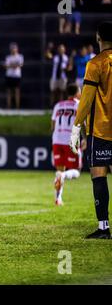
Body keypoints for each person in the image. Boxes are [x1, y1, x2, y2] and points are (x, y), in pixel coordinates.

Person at [70, 21, 112, 239]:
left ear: (98, 38)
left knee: (99, 175)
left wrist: (76, 127)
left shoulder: (95, 64)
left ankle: (104, 228)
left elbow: (86, 99)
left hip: (102, 129)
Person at [52, 84, 83, 206]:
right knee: (77, 171)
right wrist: (84, 138)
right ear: (77, 93)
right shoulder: (78, 105)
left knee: (60, 169)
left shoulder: (58, 105)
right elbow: (82, 123)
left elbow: (52, 126)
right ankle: (63, 175)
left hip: (57, 139)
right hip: (71, 140)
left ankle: (58, 199)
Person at [4, 42, 24, 109]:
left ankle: (17, 107)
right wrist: (14, 65)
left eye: (14, 48)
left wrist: (11, 65)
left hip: (17, 76)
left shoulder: (20, 56)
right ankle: (8, 106)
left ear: (17, 49)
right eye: (12, 48)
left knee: (17, 91)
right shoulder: (8, 57)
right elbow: (6, 66)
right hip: (9, 76)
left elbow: (21, 65)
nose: (13, 50)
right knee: (9, 92)